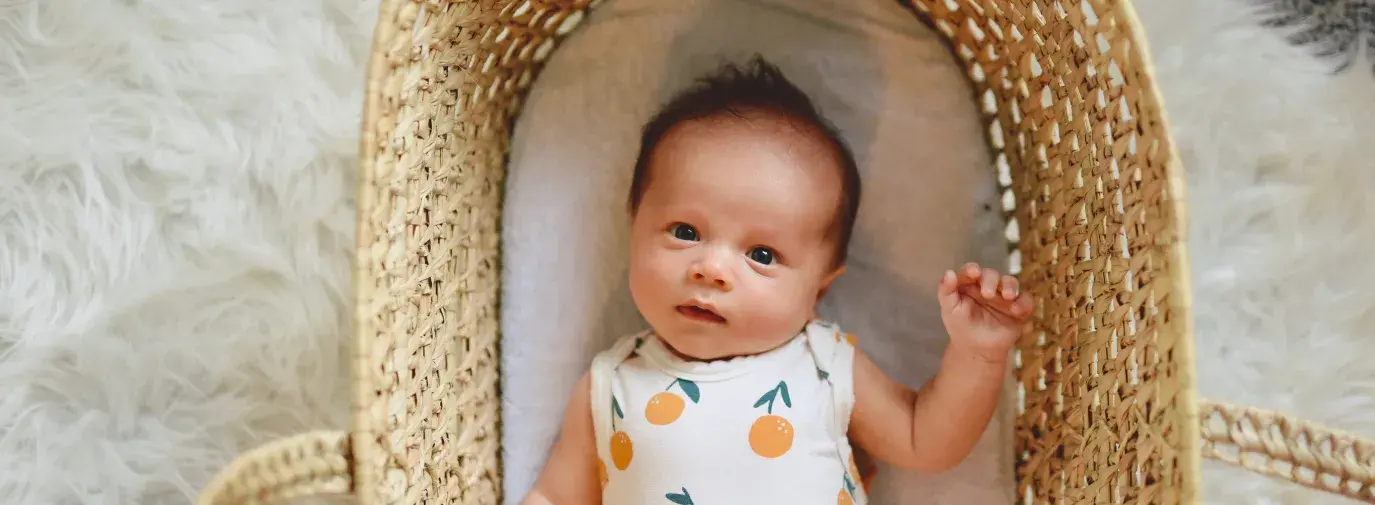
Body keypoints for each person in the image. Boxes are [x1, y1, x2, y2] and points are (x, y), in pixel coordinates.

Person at [521, 55, 1033, 505]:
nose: (712, 268)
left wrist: (977, 354)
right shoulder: (609, 385)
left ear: (820, 289)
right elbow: (556, 495)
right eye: (685, 231)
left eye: (761, 254)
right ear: (632, 230)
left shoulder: (823, 363)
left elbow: (927, 439)